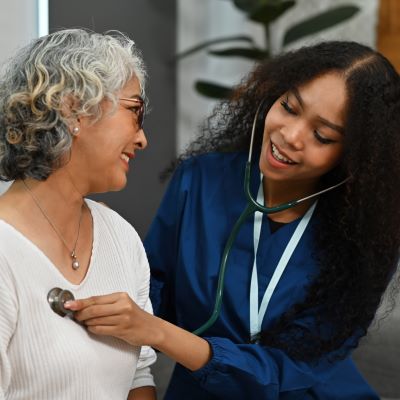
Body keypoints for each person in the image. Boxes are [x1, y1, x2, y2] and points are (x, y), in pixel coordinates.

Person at [66, 41, 400, 399]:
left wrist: (156, 331)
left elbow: (286, 368)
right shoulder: (200, 180)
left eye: (322, 135)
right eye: (288, 107)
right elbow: (149, 294)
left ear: (353, 157)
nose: (290, 135)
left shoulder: (364, 236)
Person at [0, 29, 157, 400]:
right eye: (135, 111)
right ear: (74, 109)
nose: (142, 139)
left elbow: (139, 374)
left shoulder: (121, 237)